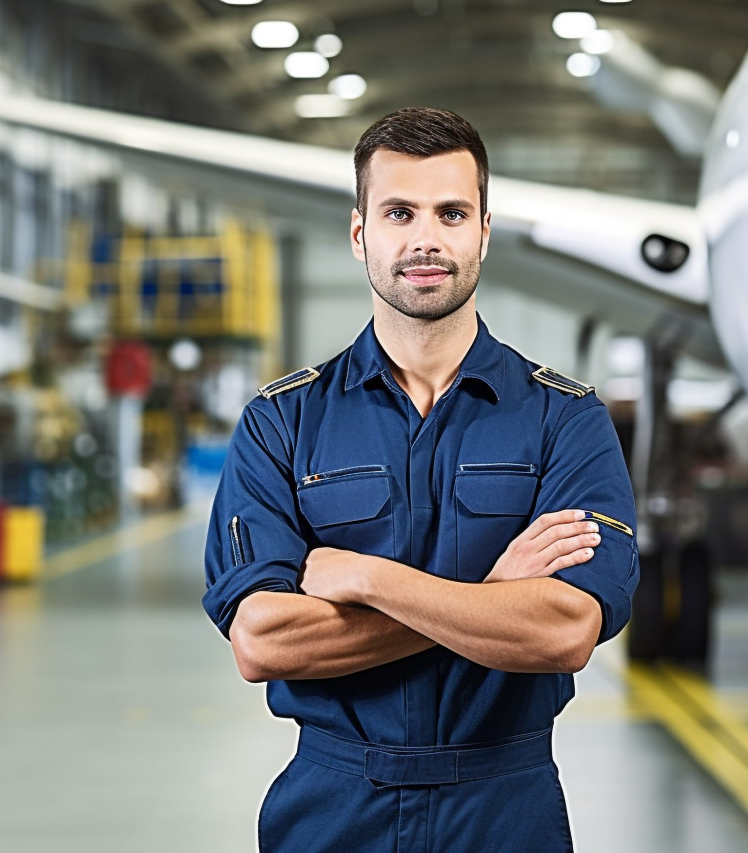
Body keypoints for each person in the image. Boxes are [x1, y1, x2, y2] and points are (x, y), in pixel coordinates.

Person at [203, 107, 638, 852]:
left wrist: (364, 577)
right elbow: (264, 640)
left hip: (507, 806)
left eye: (452, 212)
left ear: (484, 232)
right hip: (333, 805)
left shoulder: (566, 420)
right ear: (360, 233)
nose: (426, 239)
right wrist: (492, 600)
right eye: (399, 212)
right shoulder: (282, 422)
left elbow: (567, 628)